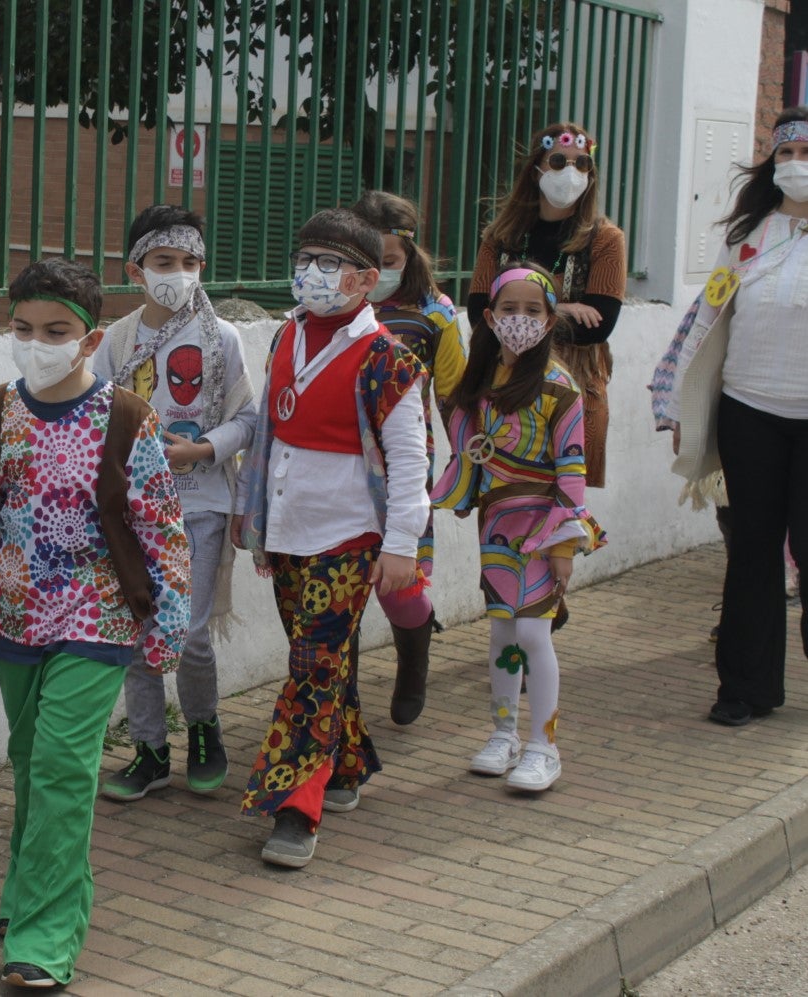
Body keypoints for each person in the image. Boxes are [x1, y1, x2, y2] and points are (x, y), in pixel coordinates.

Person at [0, 259, 189, 988]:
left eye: (54, 331)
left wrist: (167, 625)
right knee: (32, 763)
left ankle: (45, 935)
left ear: (88, 340)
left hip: (99, 615)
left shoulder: (126, 417)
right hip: (16, 614)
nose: (36, 343)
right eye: (23, 329)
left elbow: (162, 527)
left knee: (63, 764)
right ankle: (28, 890)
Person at [232, 208, 429, 867]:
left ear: (365, 279)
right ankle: (345, 765)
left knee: (310, 666)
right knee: (321, 659)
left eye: (329, 263)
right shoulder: (283, 337)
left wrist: (401, 544)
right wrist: (250, 511)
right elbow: (268, 430)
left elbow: (409, 462)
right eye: (305, 259)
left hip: (347, 536)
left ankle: (295, 806)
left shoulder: (388, 361)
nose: (310, 273)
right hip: (286, 529)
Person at [91, 205, 256, 800]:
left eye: (189, 262)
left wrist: (203, 449)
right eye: (164, 262)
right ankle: (149, 749)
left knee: (187, 634)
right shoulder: (116, 340)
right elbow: (97, 417)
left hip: (202, 505)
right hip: (135, 513)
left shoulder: (224, 339)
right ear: (136, 270)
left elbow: (247, 418)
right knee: (138, 632)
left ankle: (204, 729)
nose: (178, 273)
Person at [650, 106, 808, 726]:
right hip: (751, 411)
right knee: (753, 550)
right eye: (788, 156)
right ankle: (744, 687)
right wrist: (683, 407)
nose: (797, 166)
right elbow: (708, 320)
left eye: (807, 154)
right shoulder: (749, 235)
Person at [434, 264, 605, 793]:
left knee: (534, 631)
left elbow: (571, 470)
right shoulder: (480, 385)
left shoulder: (561, 388)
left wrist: (565, 545)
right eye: (510, 309)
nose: (520, 320)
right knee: (503, 631)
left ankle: (543, 745)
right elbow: (468, 445)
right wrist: (463, 490)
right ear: (489, 317)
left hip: (544, 526)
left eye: (534, 311)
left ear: (551, 320)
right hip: (497, 527)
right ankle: (503, 734)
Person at [349, 189, 468, 724]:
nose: (376, 272)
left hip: (403, 472)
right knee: (339, 591)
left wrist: (467, 463)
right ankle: (338, 695)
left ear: (410, 256)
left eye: (389, 262)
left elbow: (453, 393)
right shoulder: (333, 307)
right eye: (365, 260)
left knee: (403, 589)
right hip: (339, 470)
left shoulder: (434, 313)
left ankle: (413, 663)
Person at [468, 122, 627, 491]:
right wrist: (564, 309)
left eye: (582, 165)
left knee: (562, 508)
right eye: (559, 161)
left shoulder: (605, 240)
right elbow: (480, 315)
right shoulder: (500, 238)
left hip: (573, 384)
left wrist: (517, 312)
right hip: (503, 382)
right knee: (502, 495)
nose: (570, 173)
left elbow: (598, 326)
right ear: (537, 168)